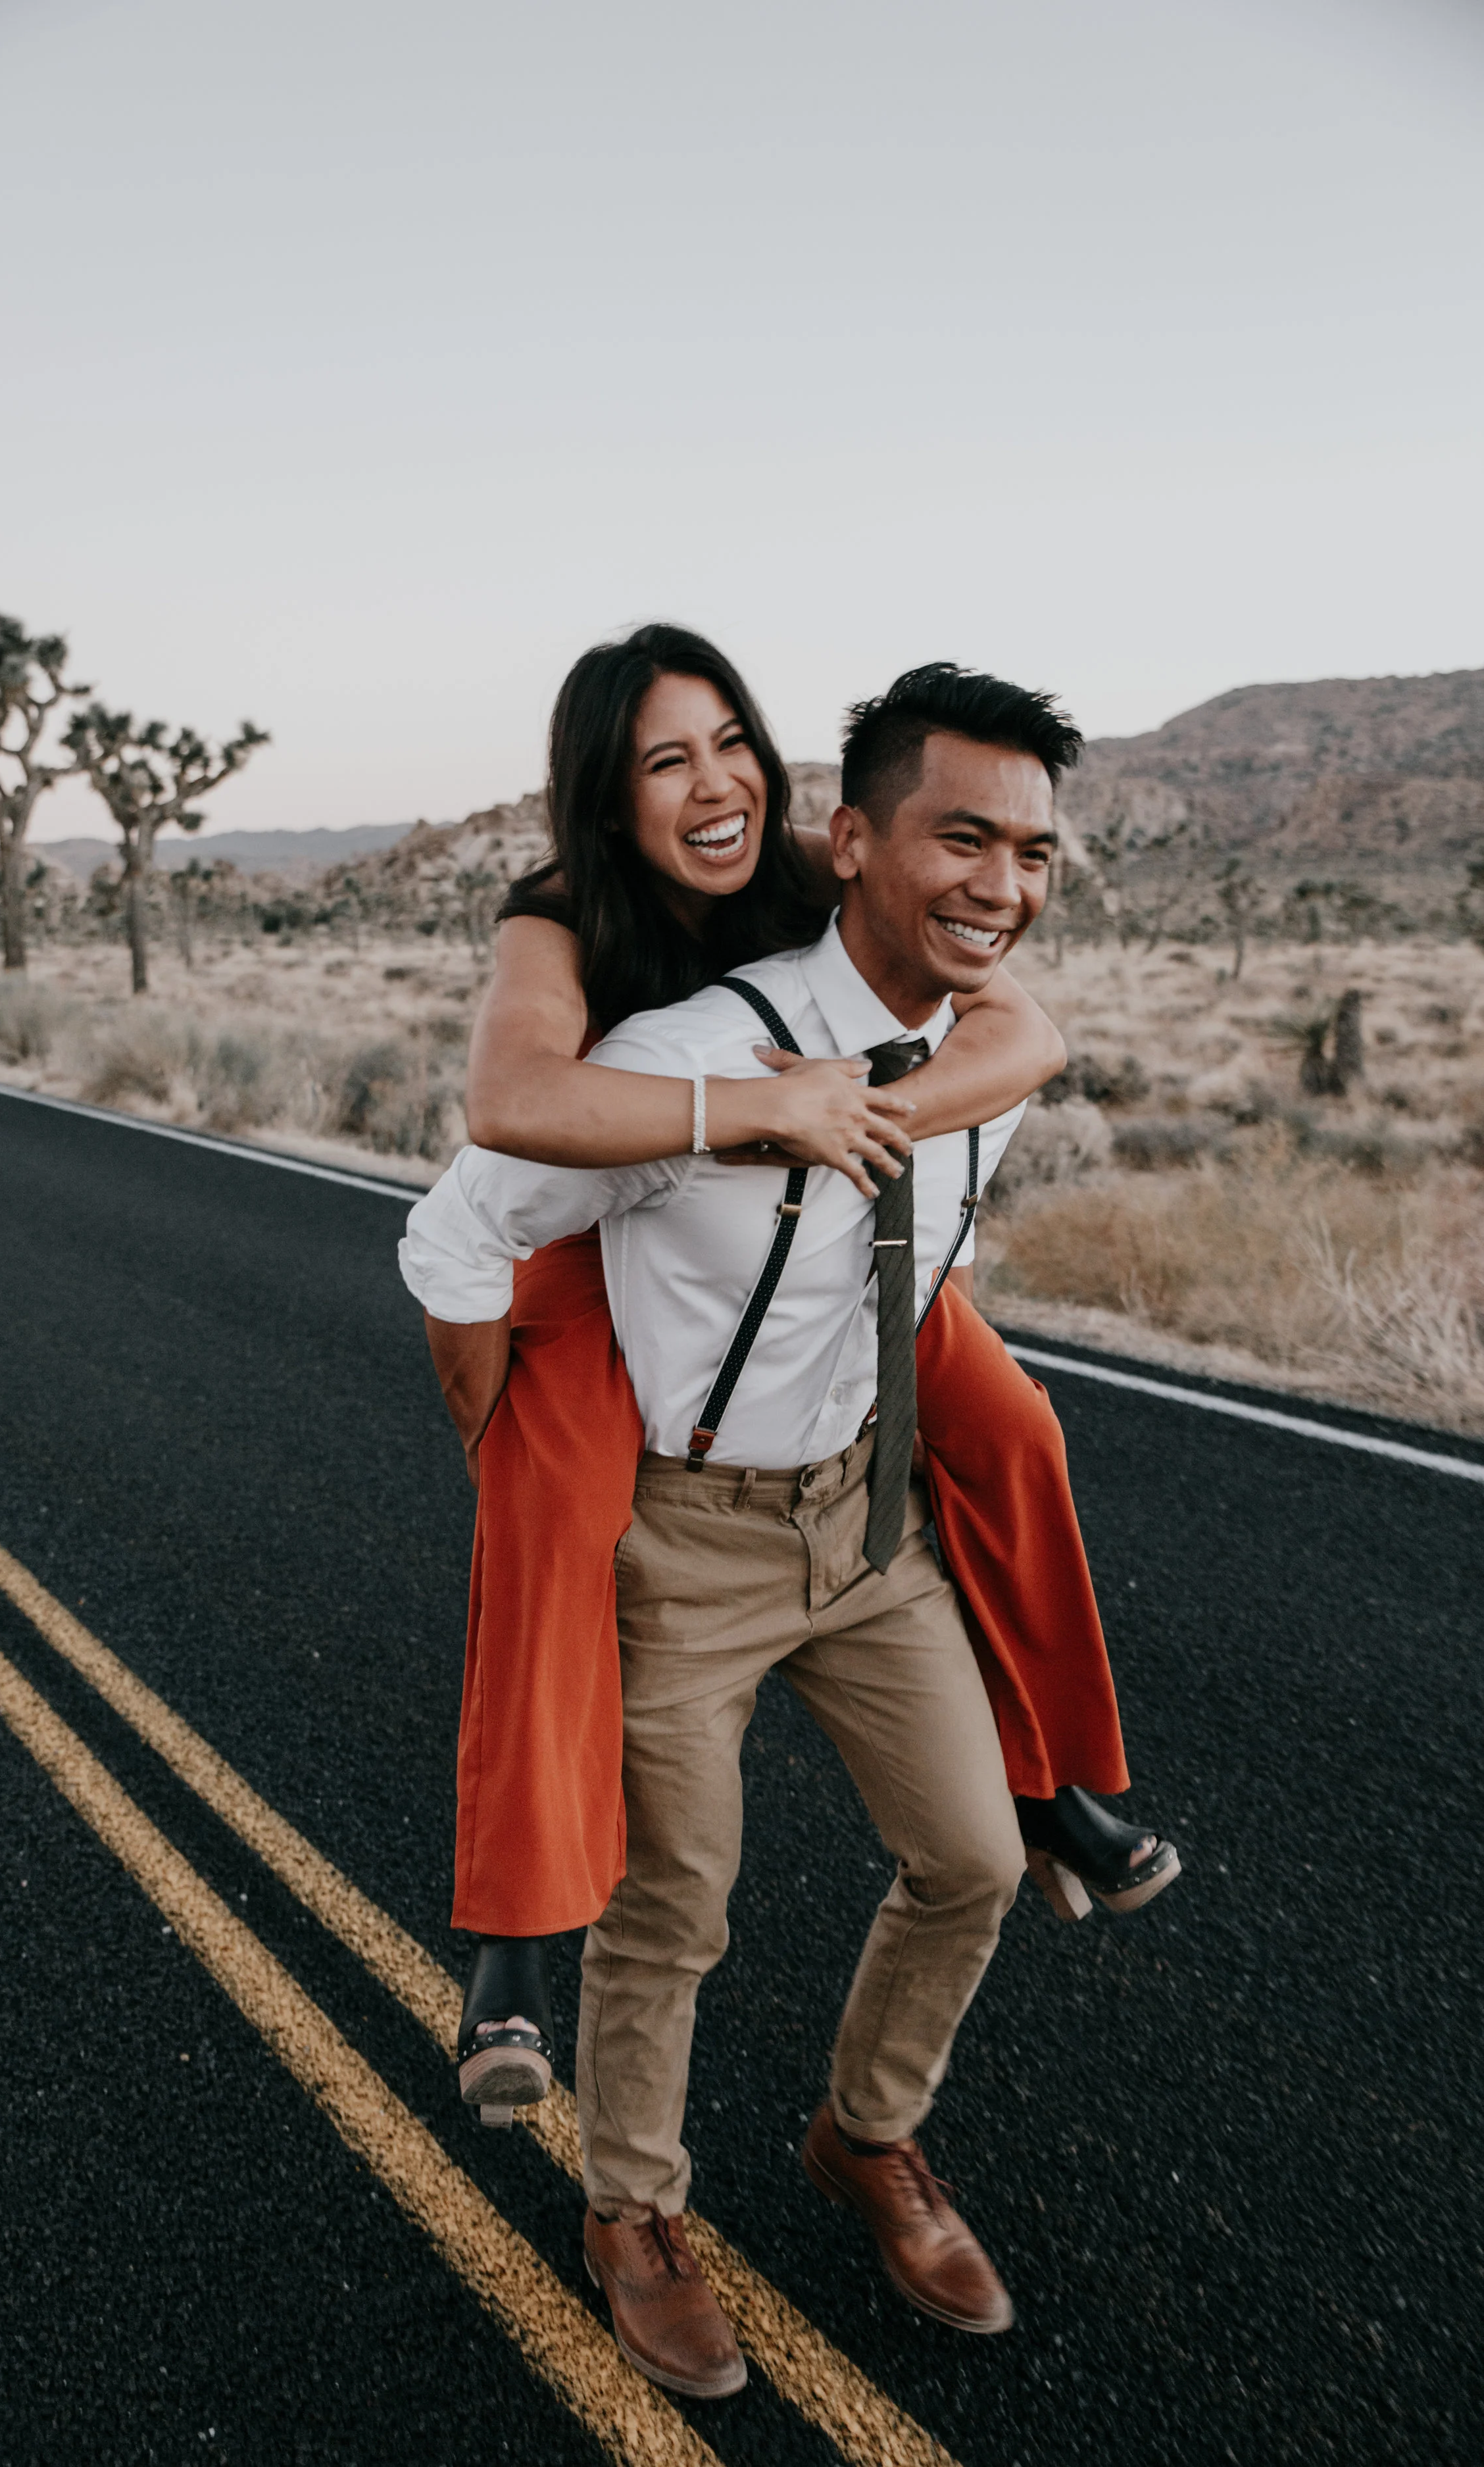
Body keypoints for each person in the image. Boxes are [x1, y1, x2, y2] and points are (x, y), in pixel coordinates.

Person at [401, 659, 1162, 2395]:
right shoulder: (682, 1049)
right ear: (854, 843)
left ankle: (863, 2134)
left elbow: (933, 1253)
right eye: (959, 838)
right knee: (678, 1904)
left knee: (972, 1860)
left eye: (1031, 853)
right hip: (690, 1534)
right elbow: (456, 1234)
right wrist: (499, 1433)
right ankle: (632, 2210)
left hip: (864, 1523)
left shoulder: (988, 1046)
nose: (999, 884)